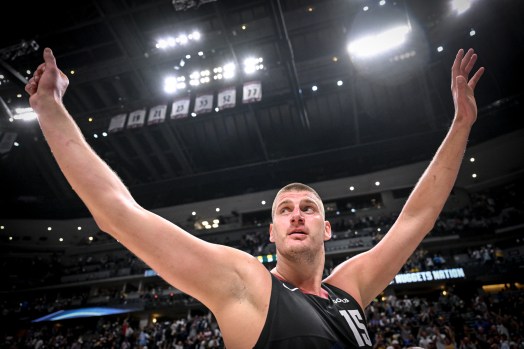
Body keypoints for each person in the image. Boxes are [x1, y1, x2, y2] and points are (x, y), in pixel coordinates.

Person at [25, 47, 484, 348]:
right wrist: (49, 108)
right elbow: (117, 213)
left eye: (308, 209)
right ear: (272, 233)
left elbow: (415, 219)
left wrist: (461, 123)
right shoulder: (246, 284)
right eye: (285, 211)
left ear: (327, 228)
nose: (297, 215)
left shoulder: (350, 289)